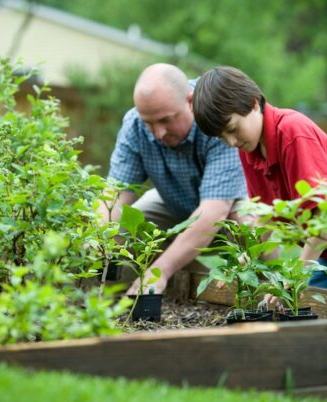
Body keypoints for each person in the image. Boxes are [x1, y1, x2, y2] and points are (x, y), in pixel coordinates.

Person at [99, 63, 248, 296]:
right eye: (150, 123)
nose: (158, 133)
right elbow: (114, 196)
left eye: (166, 120)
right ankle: (187, 284)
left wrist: (160, 270)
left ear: (190, 101)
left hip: (230, 203)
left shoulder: (215, 113)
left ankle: (267, 291)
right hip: (174, 202)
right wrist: (100, 237)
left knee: (249, 224)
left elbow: (213, 212)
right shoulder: (135, 125)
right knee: (129, 225)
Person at [192, 65, 327, 293]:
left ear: (253, 103)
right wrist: (241, 262)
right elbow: (266, 215)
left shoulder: (292, 132)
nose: (230, 142)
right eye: (222, 137)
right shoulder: (248, 150)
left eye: (232, 129)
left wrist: (295, 278)